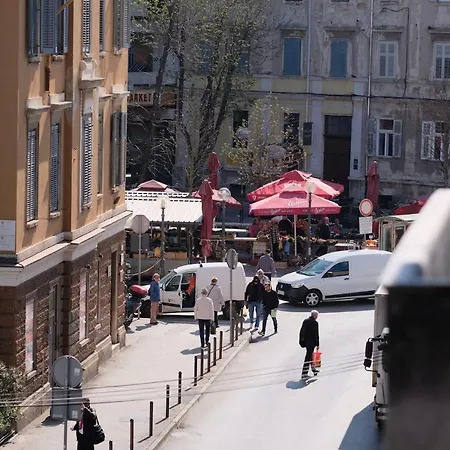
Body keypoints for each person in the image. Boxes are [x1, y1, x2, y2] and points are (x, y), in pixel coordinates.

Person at [299, 310, 320, 379]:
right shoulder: (315, 323)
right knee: (308, 358)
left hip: (306, 342)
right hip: (312, 343)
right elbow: (316, 334)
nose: (317, 317)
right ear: (314, 315)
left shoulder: (305, 321)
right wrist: (317, 344)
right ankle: (304, 373)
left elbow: (302, 331)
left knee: (310, 356)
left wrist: (301, 341)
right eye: (316, 315)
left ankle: (314, 370)